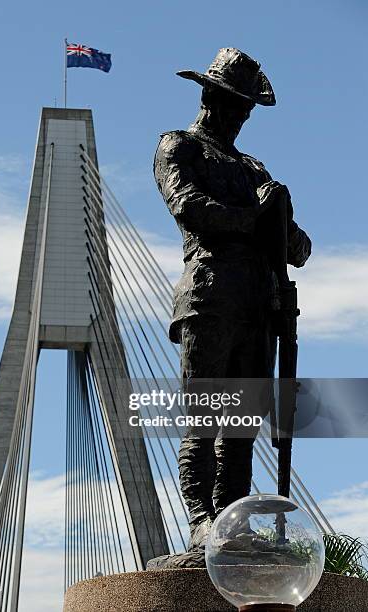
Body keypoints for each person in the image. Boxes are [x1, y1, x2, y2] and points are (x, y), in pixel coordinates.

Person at [154, 48, 311, 553]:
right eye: (233, 104)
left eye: (245, 108)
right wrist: (253, 216)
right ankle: (202, 519)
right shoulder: (180, 146)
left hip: (258, 305)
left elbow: (298, 248)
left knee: (240, 428)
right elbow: (188, 207)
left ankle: (232, 522)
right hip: (210, 294)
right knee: (204, 419)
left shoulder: (253, 168)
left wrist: (282, 219)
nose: (239, 116)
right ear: (207, 95)